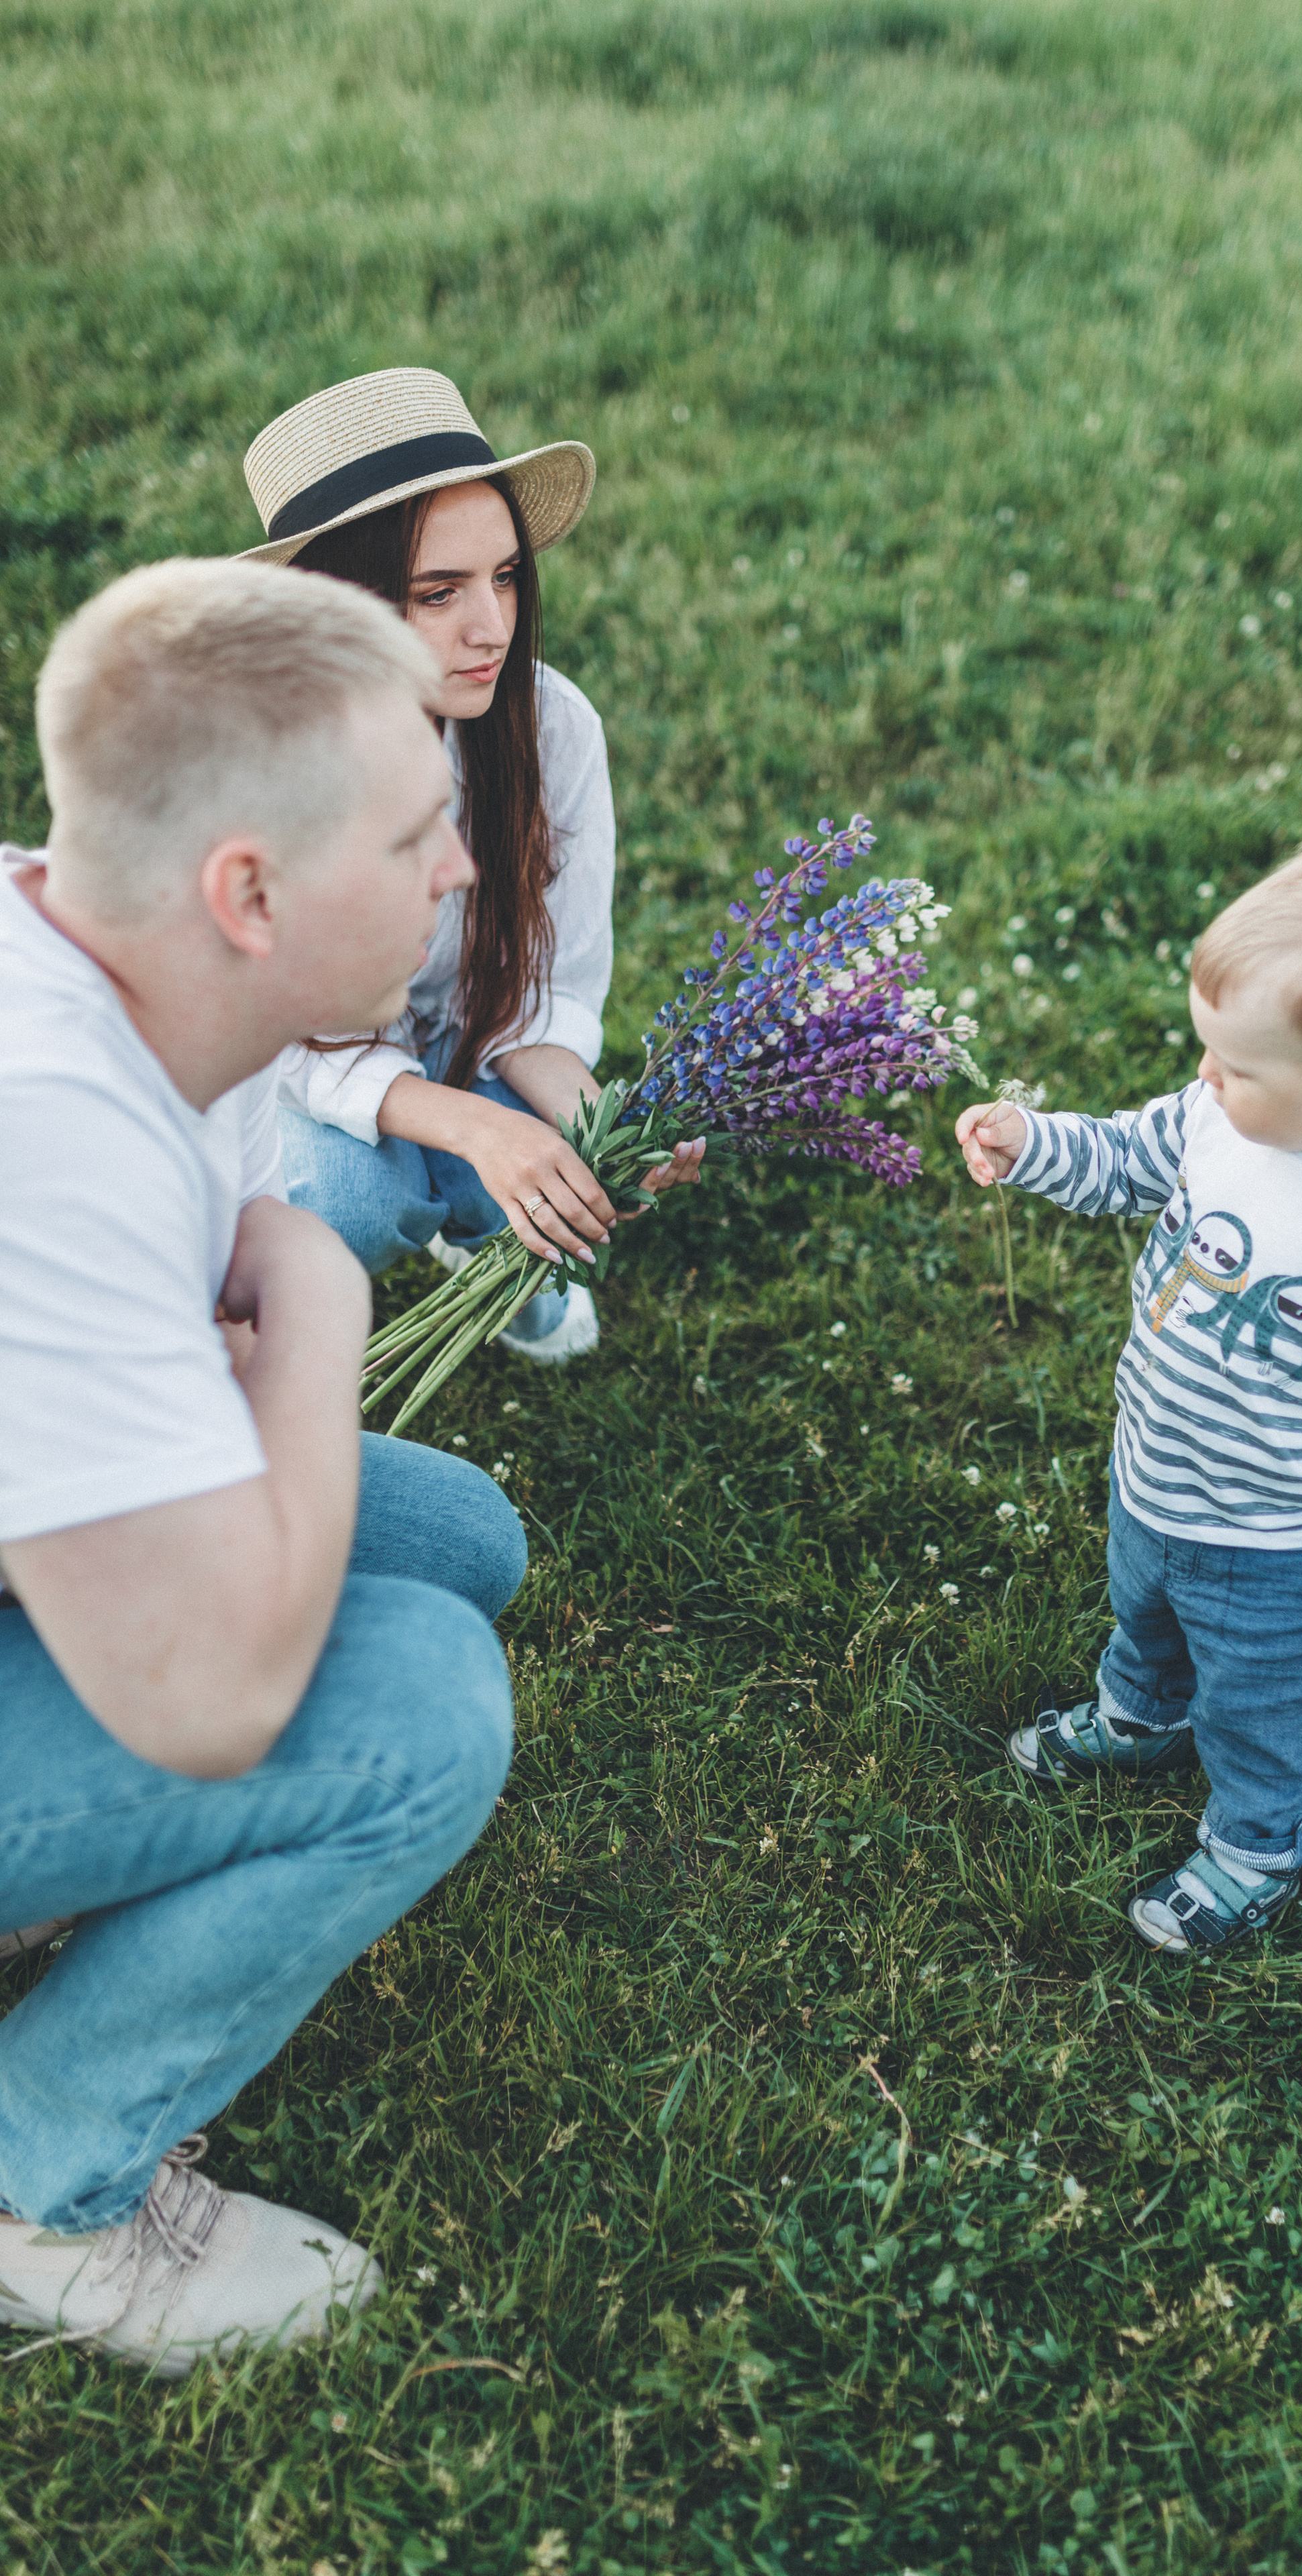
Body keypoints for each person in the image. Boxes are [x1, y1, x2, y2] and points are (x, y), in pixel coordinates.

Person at [0, 558, 525, 2375]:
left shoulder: (100, 946)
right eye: (415, 839)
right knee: (418, 1709)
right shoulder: (48, 1139)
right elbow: (215, 1699)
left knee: (458, 1540)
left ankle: (61, 1897)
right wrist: (311, 1289)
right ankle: (45, 2187)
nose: (457, 870)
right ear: (250, 892)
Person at [957, 835, 1302, 1955]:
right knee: (1142, 1613)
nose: (1202, 1077)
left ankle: (1262, 1839)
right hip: (1153, 1470)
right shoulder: (1220, 1119)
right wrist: (1030, 1143)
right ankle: (1142, 1717)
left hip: (1281, 1541)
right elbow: (1118, 1158)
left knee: (1262, 1701)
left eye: (1231, 1063)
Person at [239, 366, 700, 1360]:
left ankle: (498, 1271)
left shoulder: (552, 727)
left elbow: (551, 981)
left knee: (551, 1157)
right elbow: (271, 1043)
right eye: (437, 593)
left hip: (471, 1040)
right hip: (302, 1085)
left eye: (503, 577)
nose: (492, 628)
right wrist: (476, 1131)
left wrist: (594, 1116)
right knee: (361, 1192)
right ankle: (255, 1320)